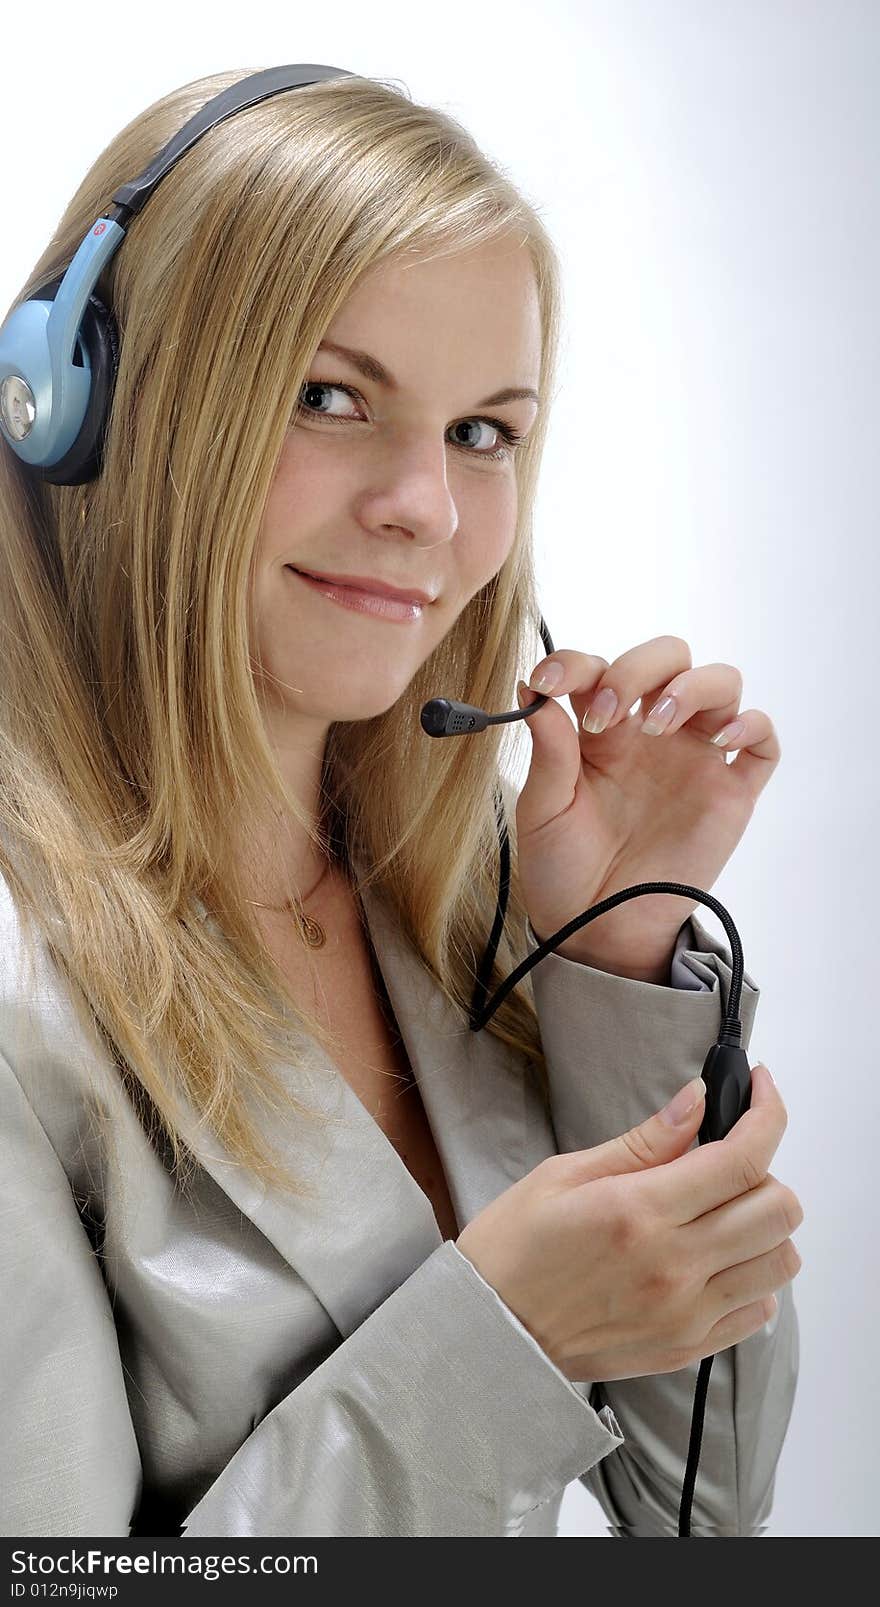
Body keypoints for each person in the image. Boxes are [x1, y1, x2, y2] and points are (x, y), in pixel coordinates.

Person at [0, 67, 800, 1538]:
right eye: (330, 397)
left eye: (484, 432)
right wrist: (504, 1341)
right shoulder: (18, 995)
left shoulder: (457, 896)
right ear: (76, 413)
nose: (426, 508)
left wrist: (613, 968)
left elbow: (702, 1511)